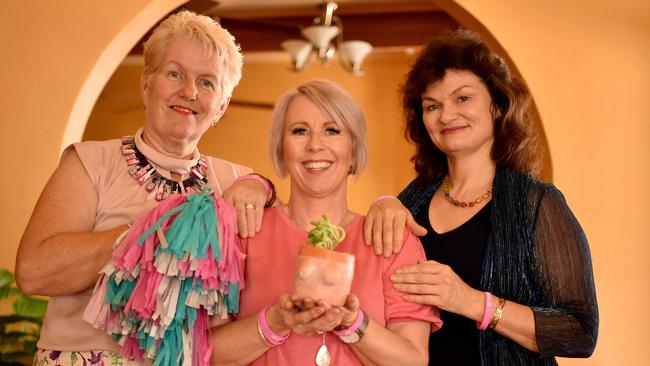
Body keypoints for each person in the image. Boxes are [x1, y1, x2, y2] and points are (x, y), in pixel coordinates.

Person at [14, 11, 272, 365]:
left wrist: (263, 186)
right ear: (146, 84)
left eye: (208, 82)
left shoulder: (235, 182)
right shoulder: (90, 163)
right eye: (174, 73)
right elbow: (33, 273)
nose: (189, 91)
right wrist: (147, 231)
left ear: (222, 106)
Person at [365, 29, 598, 365]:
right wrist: (381, 203)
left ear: (498, 105)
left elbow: (580, 332)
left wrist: (473, 302)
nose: (446, 116)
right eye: (433, 105)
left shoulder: (538, 203)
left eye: (462, 98)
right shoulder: (409, 201)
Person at [210, 80, 442, 366]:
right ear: (282, 150)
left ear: (354, 151)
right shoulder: (242, 230)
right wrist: (276, 321)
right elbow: (207, 353)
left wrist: (352, 323)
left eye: (332, 130)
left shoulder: (392, 239)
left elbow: (413, 360)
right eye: (299, 131)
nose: (315, 145)